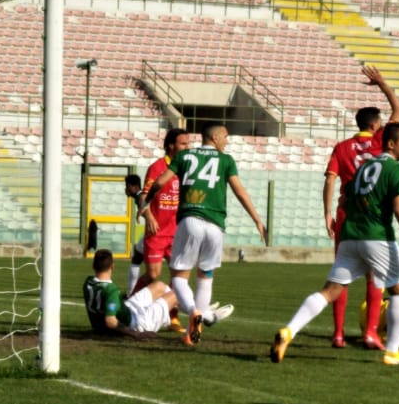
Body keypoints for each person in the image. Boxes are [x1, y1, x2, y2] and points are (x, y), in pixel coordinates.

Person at [271, 122, 399, 366]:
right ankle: (392, 352)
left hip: (349, 236)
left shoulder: (364, 166)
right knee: (398, 291)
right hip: (376, 236)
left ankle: (289, 331)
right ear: (391, 144)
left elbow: (346, 198)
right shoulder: (396, 170)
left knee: (330, 291)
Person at [145, 123, 266, 345]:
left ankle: (193, 312)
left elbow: (160, 182)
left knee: (179, 277)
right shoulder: (226, 161)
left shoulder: (185, 156)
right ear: (215, 137)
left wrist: (147, 201)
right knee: (206, 275)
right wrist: (257, 219)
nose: (227, 141)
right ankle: (194, 328)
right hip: (216, 225)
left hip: (191, 220)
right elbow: (239, 191)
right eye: (226, 137)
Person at [323, 63, 399, 348]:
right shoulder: (383, 141)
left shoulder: (342, 147)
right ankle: (370, 333)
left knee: (340, 276)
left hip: (345, 213)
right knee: (375, 275)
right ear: (374, 126)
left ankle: (337, 333)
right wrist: (382, 83)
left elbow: (330, 180)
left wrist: (327, 214)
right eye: (380, 123)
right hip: (372, 214)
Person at [127, 127, 193, 293]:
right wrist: (149, 216)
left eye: (188, 143)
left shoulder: (189, 169)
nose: (187, 147)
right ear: (171, 146)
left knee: (180, 277)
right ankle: (131, 304)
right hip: (157, 232)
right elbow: (144, 196)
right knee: (153, 274)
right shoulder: (157, 168)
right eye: (183, 144)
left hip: (178, 233)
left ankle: (173, 315)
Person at [82, 247, 184, 338]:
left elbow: (106, 302)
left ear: (93, 265)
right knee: (177, 294)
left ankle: (174, 314)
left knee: (159, 286)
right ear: (112, 267)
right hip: (137, 324)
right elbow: (110, 321)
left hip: (128, 310)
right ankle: (195, 317)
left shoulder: (88, 282)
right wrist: (137, 335)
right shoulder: (111, 290)